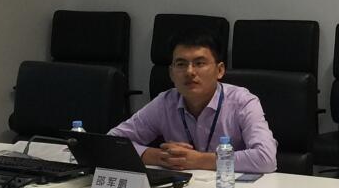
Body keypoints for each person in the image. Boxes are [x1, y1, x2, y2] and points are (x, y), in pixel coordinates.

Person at [110, 29, 277, 173]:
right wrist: (161, 157)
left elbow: (266, 158)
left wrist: (198, 160)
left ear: (219, 70)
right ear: (171, 73)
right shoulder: (165, 103)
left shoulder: (243, 102)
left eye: (199, 63)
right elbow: (111, 142)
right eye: (181, 64)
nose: (189, 72)